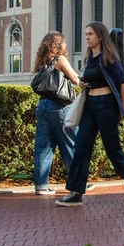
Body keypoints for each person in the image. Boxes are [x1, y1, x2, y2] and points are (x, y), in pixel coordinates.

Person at [56, 22, 124, 206]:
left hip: (106, 106)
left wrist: (122, 108)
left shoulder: (108, 58)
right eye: (86, 34)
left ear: (100, 37)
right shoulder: (90, 59)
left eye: (90, 34)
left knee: (112, 148)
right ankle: (76, 192)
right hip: (90, 106)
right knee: (81, 146)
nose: (87, 37)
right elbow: (90, 79)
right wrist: (81, 83)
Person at [32, 31, 80, 195]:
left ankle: (41, 185)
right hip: (60, 106)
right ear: (58, 45)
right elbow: (74, 78)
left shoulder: (42, 60)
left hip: (43, 105)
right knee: (70, 144)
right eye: (64, 43)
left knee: (43, 146)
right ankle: (77, 182)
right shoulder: (60, 59)